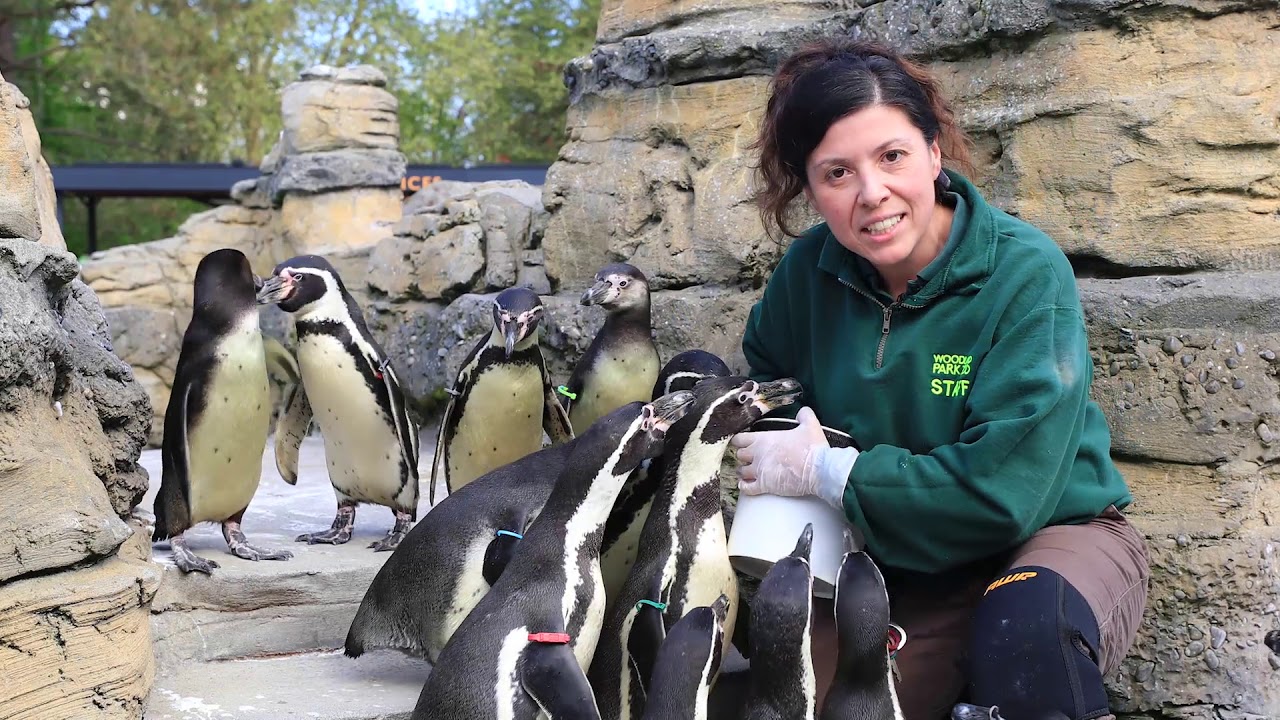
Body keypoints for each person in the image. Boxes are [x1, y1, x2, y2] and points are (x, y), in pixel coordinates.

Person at [728, 36, 1151, 720]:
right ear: (808, 188)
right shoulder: (805, 276)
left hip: (1044, 536)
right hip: (895, 558)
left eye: (891, 156)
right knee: (809, 701)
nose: (873, 194)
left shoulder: (1023, 273)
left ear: (932, 151)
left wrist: (830, 473)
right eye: (836, 173)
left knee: (1024, 635)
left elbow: (1002, 496)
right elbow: (774, 391)